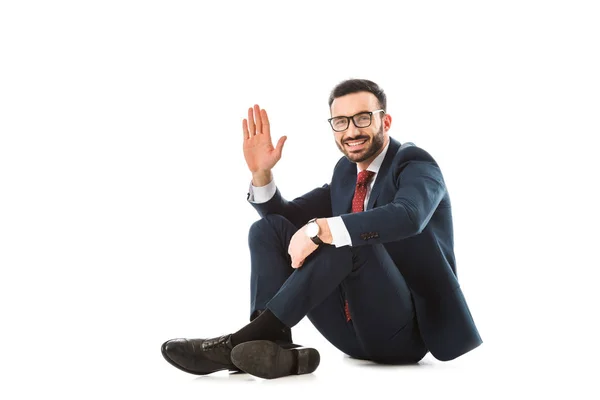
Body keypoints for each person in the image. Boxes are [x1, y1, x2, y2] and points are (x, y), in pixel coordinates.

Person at [161, 78, 482, 379]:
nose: (351, 130)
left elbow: (408, 216)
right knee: (268, 230)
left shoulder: (415, 163)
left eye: (362, 118)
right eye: (340, 122)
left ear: (385, 122)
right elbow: (284, 219)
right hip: (350, 334)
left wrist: (321, 230)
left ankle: (236, 344)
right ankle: (274, 346)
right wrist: (261, 175)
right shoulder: (345, 173)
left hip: (404, 336)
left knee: (347, 239)